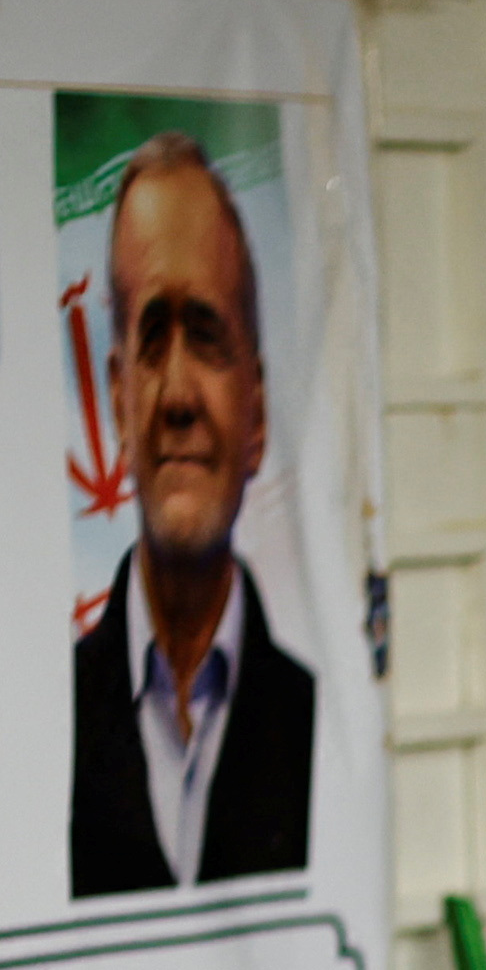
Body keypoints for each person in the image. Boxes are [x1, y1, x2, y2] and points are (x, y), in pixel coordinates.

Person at [67, 136, 317, 896]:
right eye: (150, 340)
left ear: (259, 408)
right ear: (116, 398)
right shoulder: (53, 721)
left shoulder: (319, 722)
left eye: (206, 338)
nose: (176, 395)